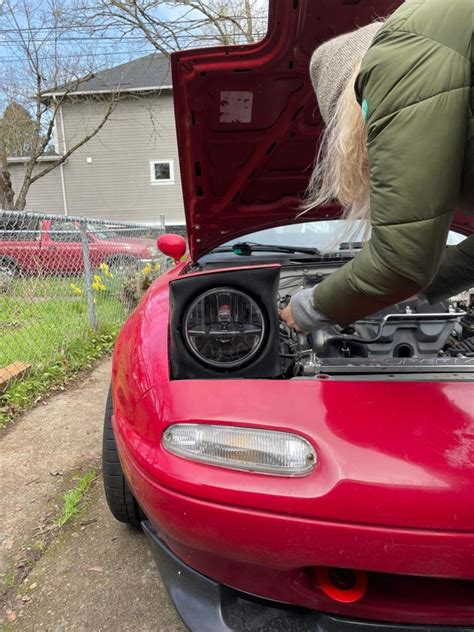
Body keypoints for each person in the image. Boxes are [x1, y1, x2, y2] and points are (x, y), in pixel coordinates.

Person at [280, 0, 474, 333]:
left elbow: (401, 263)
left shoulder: (400, 58)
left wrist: (310, 307)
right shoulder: (437, 38)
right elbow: (410, 269)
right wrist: (428, 282)